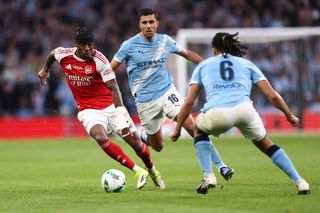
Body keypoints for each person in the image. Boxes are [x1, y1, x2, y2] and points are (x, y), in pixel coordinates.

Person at [170, 32, 310, 195]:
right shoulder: (247, 64)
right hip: (245, 110)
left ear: (214, 49)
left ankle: (209, 176)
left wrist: (178, 128)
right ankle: (300, 181)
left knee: (199, 131)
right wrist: (289, 114)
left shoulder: (203, 65)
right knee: (266, 144)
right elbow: (272, 95)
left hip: (218, 113)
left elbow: (188, 102)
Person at [110, 8, 234, 181]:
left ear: (157, 24)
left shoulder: (165, 41)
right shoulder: (128, 46)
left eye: (151, 22)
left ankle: (221, 166)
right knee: (158, 146)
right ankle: (144, 136)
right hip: (145, 102)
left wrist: (208, 65)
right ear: (139, 24)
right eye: (144, 22)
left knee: (193, 128)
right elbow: (109, 70)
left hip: (167, 92)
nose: (148, 26)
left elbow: (187, 54)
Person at [38, 26, 164, 190]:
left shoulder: (100, 60)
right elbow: (53, 53)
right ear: (77, 44)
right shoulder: (64, 54)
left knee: (136, 145)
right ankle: (138, 171)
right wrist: (45, 70)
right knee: (100, 137)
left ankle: (152, 170)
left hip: (111, 105)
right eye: (85, 44)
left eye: (91, 44)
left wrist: (119, 112)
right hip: (87, 109)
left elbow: (114, 88)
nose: (89, 48)